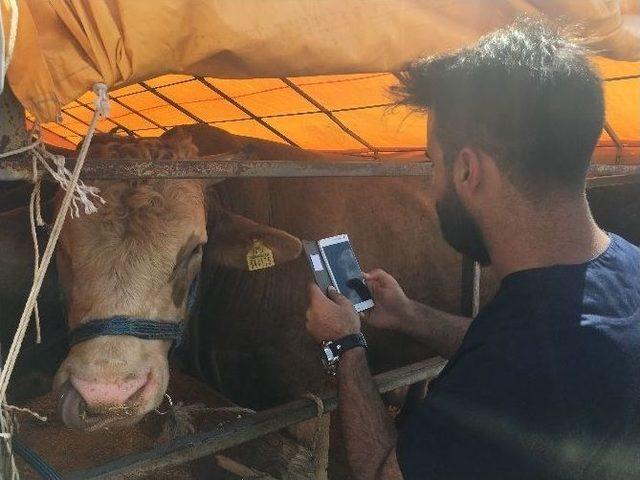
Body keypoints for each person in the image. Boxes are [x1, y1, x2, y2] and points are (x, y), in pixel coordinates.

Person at [305, 18, 640, 480]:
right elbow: (519, 344)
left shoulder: (510, 373)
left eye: (432, 163)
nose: (433, 182)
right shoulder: (625, 270)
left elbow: (382, 474)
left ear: (467, 171)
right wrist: (409, 314)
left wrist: (347, 344)